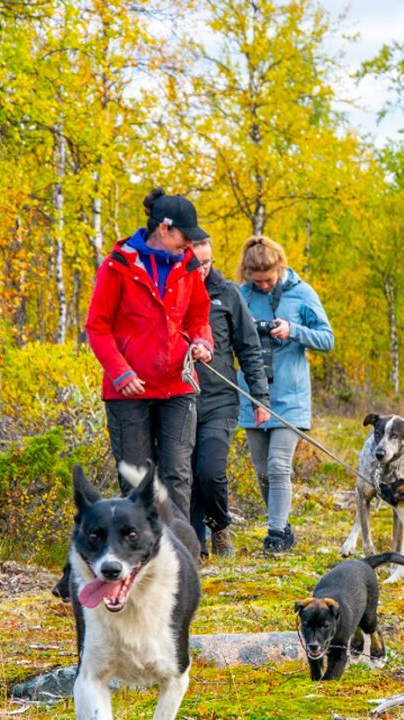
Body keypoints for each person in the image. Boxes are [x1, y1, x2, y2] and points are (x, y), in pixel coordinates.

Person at [84, 188, 215, 516]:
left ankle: (179, 551)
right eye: (184, 236)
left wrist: (202, 342)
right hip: (128, 391)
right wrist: (121, 372)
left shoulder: (188, 266)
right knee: (136, 479)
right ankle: (141, 555)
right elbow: (97, 326)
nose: (189, 244)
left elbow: (199, 314)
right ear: (163, 228)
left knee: (177, 473)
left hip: (178, 386)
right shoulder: (116, 267)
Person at [237, 235, 334, 554]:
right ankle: (283, 525)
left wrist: (293, 331)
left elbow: (327, 339)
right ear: (247, 274)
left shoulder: (302, 293)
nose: (264, 286)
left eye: (269, 279)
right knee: (263, 472)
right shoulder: (241, 296)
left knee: (279, 466)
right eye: (258, 280)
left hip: (290, 398)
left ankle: (275, 532)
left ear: (280, 268)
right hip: (252, 395)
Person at [187, 240, 271, 558]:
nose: (203, 269)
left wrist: (259, 398)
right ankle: (194, 546)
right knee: (185, 477)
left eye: (207, 262)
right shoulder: (173, 294)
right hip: (179, 400)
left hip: (220, 399)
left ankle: (219, 525)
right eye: (196, 263)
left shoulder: (227, 294)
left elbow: (248, 348)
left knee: (209, 471)